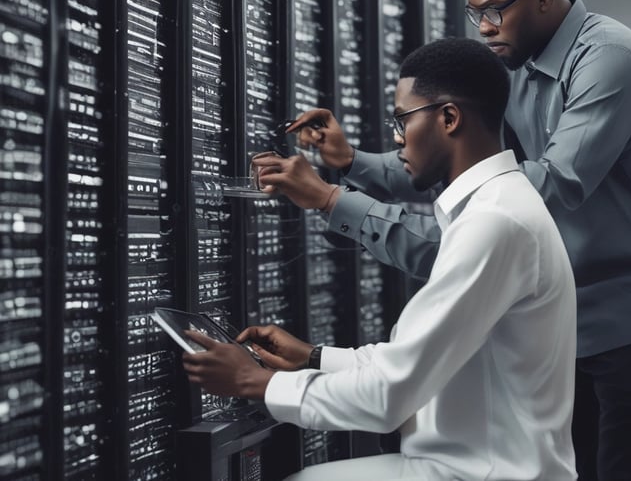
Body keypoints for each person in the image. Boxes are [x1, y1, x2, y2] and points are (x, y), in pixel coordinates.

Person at [283, 0, 631, 481]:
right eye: (474, 12)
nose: (483, 28)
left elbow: (545, 188)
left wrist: (337, 202)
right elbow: (461, 160)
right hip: (564, 314)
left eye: (496, 10)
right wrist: (351, 161)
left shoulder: (610, 58)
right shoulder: (517, 65)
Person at [182, 37, 578, 481]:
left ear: (449, 118)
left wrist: (255, 382)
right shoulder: (497, 207)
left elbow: (390, 394)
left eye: (401, 119)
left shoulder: (495, 222)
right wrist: (315, 358)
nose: (396, 137)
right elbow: (411, 360)